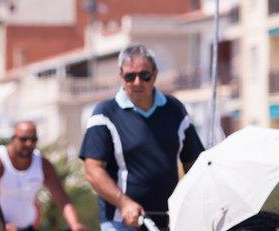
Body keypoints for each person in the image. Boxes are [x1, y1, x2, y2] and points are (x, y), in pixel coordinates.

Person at [79, 45, 205, 230]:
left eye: (144, 75)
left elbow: (193, 163)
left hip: (169, 220)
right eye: (130, 76)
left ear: (154, 74)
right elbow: (93, 170)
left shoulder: (175, 109)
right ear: (121, 76)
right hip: (121, 221)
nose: (137, 82)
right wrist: (124, 203)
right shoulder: (105, 114)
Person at [0, 121, 86, 231]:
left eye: (33, 139)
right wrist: (1, 224)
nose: (29, 143)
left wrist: (75, 224)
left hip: (29, 227)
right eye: (23, 139)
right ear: (13, 138)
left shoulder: (43, 164)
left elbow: (62, 199)